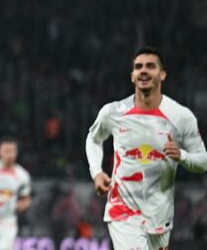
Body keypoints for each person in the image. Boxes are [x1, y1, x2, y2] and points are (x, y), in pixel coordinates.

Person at [85, 47, 207, 250]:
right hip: (122, 211)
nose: (143, 70)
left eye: (150, 66)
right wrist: (97, 173)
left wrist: (182, 155)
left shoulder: (181, 117)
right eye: (138, 67)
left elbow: (203, 162)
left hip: (159, 215)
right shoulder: (113, 112)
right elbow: (93, 139)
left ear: (162, 74)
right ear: (132, 76)